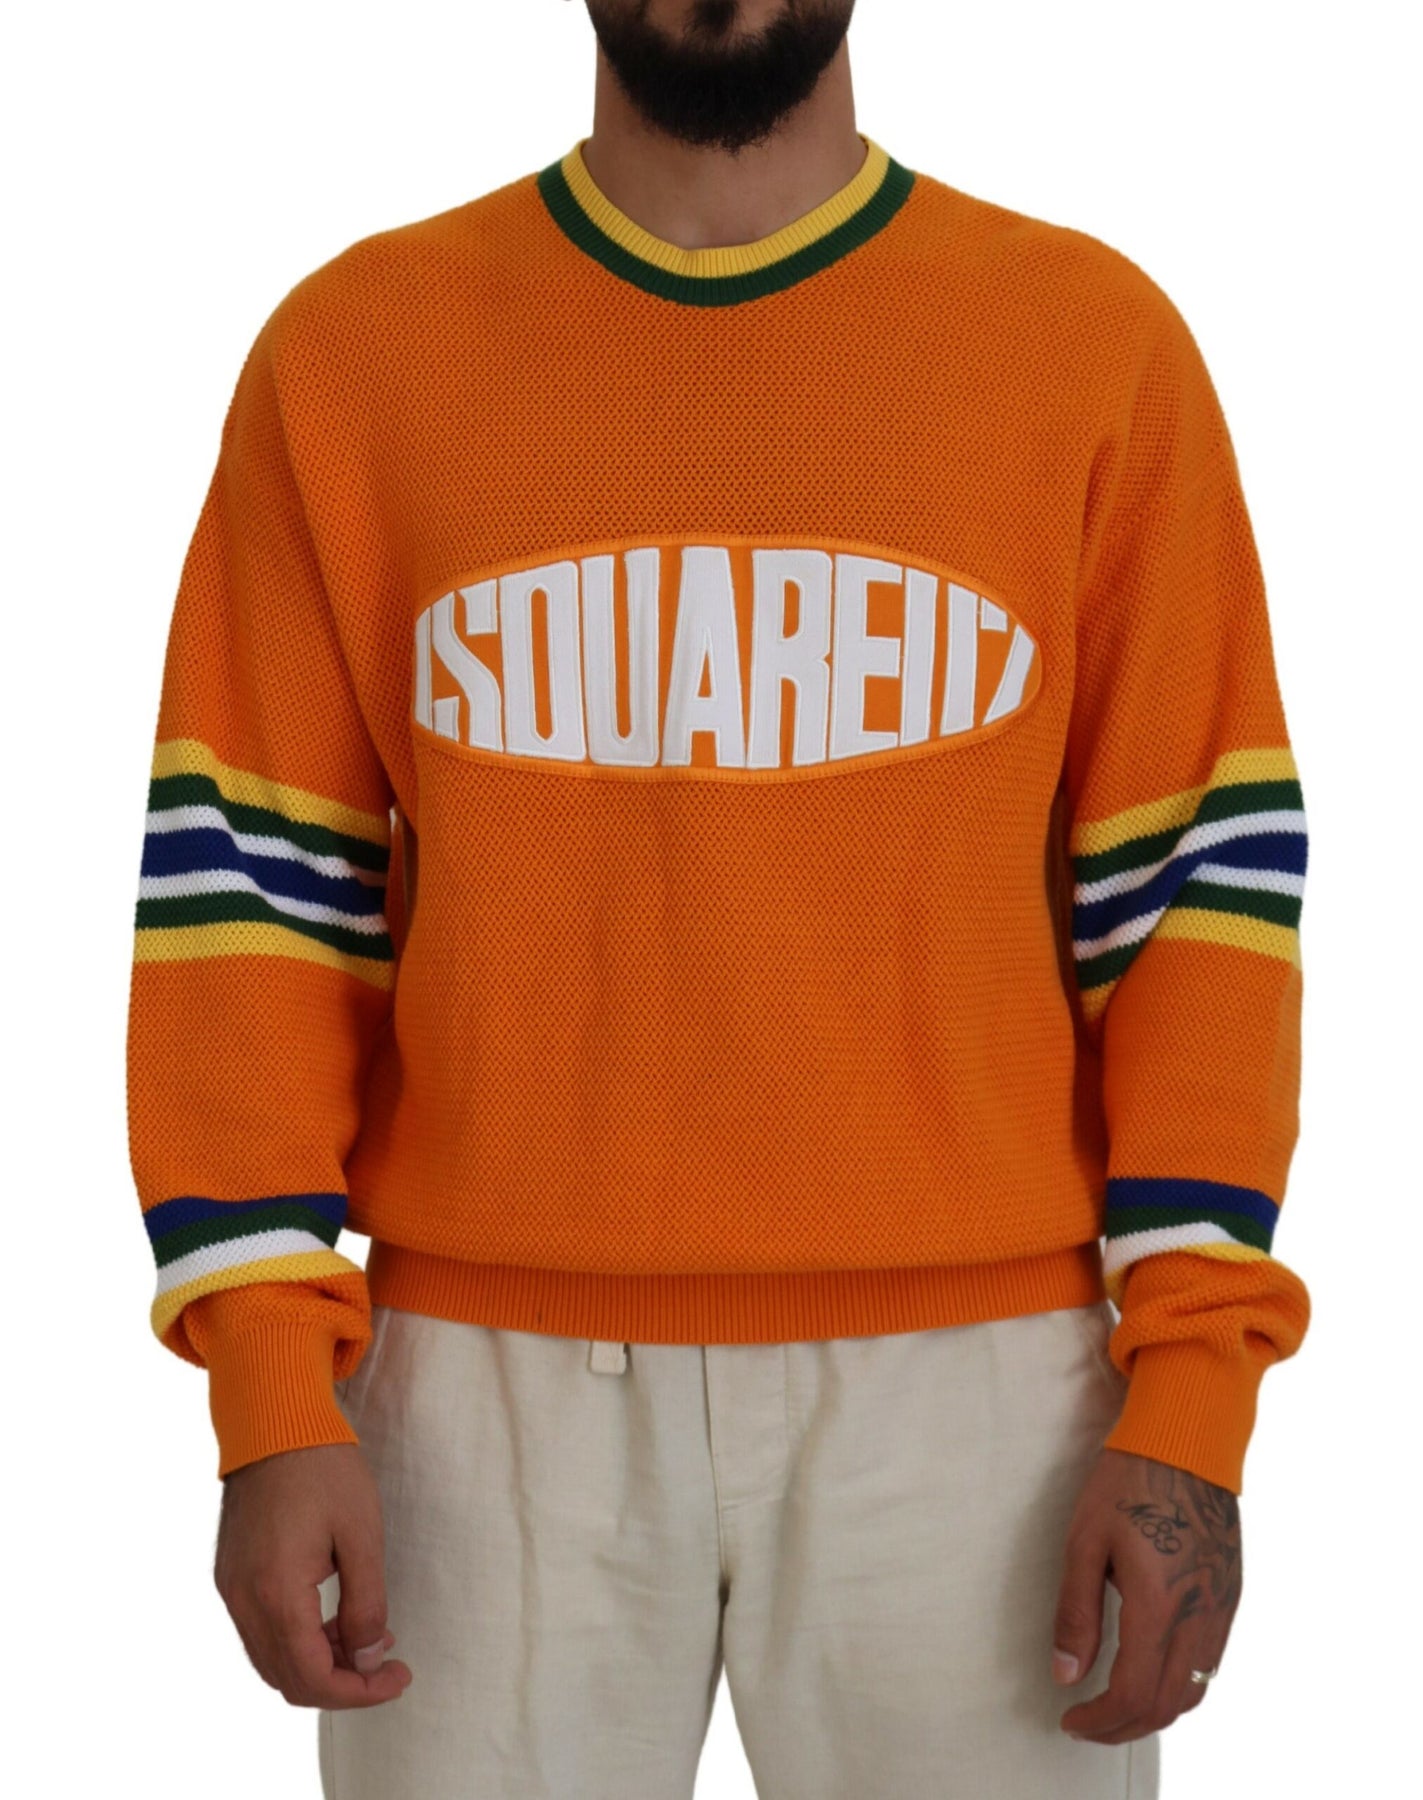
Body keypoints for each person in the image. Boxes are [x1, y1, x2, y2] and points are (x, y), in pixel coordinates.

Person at [124, 3, 1311, 1795]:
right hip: (479, 1393)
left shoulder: (1090, 348)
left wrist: (1198, 1394)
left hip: (984, 1388)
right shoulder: (354, 355)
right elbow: (256, 907)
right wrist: (270, 1389)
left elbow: (1194, 899)